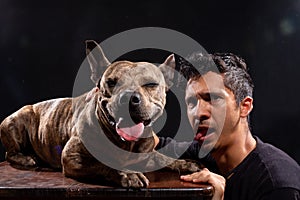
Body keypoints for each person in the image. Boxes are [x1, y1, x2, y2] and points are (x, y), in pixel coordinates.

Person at [156, 52, 300, 200]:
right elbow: (149, 144)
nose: (199, 113)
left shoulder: (276, 185)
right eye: (192, 102)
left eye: (213, 98)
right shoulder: (201, 154)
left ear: (245, 106)